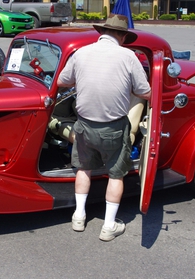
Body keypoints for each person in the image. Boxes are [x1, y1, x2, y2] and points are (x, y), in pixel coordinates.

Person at [57, 14, 151, 241]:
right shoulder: (128, 56)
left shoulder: (81, 52)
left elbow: (62, 81)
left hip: (84, 125)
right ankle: (109, 226)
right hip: (114, 128)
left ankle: (78, 217)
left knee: (83, 168)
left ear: (102, 33)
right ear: (122, 36)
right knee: (116, 175)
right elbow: (145, 92)